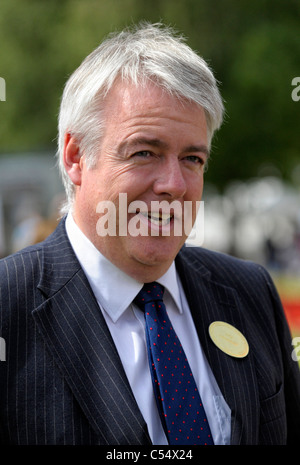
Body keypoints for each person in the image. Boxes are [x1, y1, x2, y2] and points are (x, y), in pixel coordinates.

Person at [0, 23, 299, 446]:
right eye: (145, 152)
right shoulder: (7, 309)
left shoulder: (250, 293)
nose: (175, 184)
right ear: (75, 158)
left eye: (192, 158)